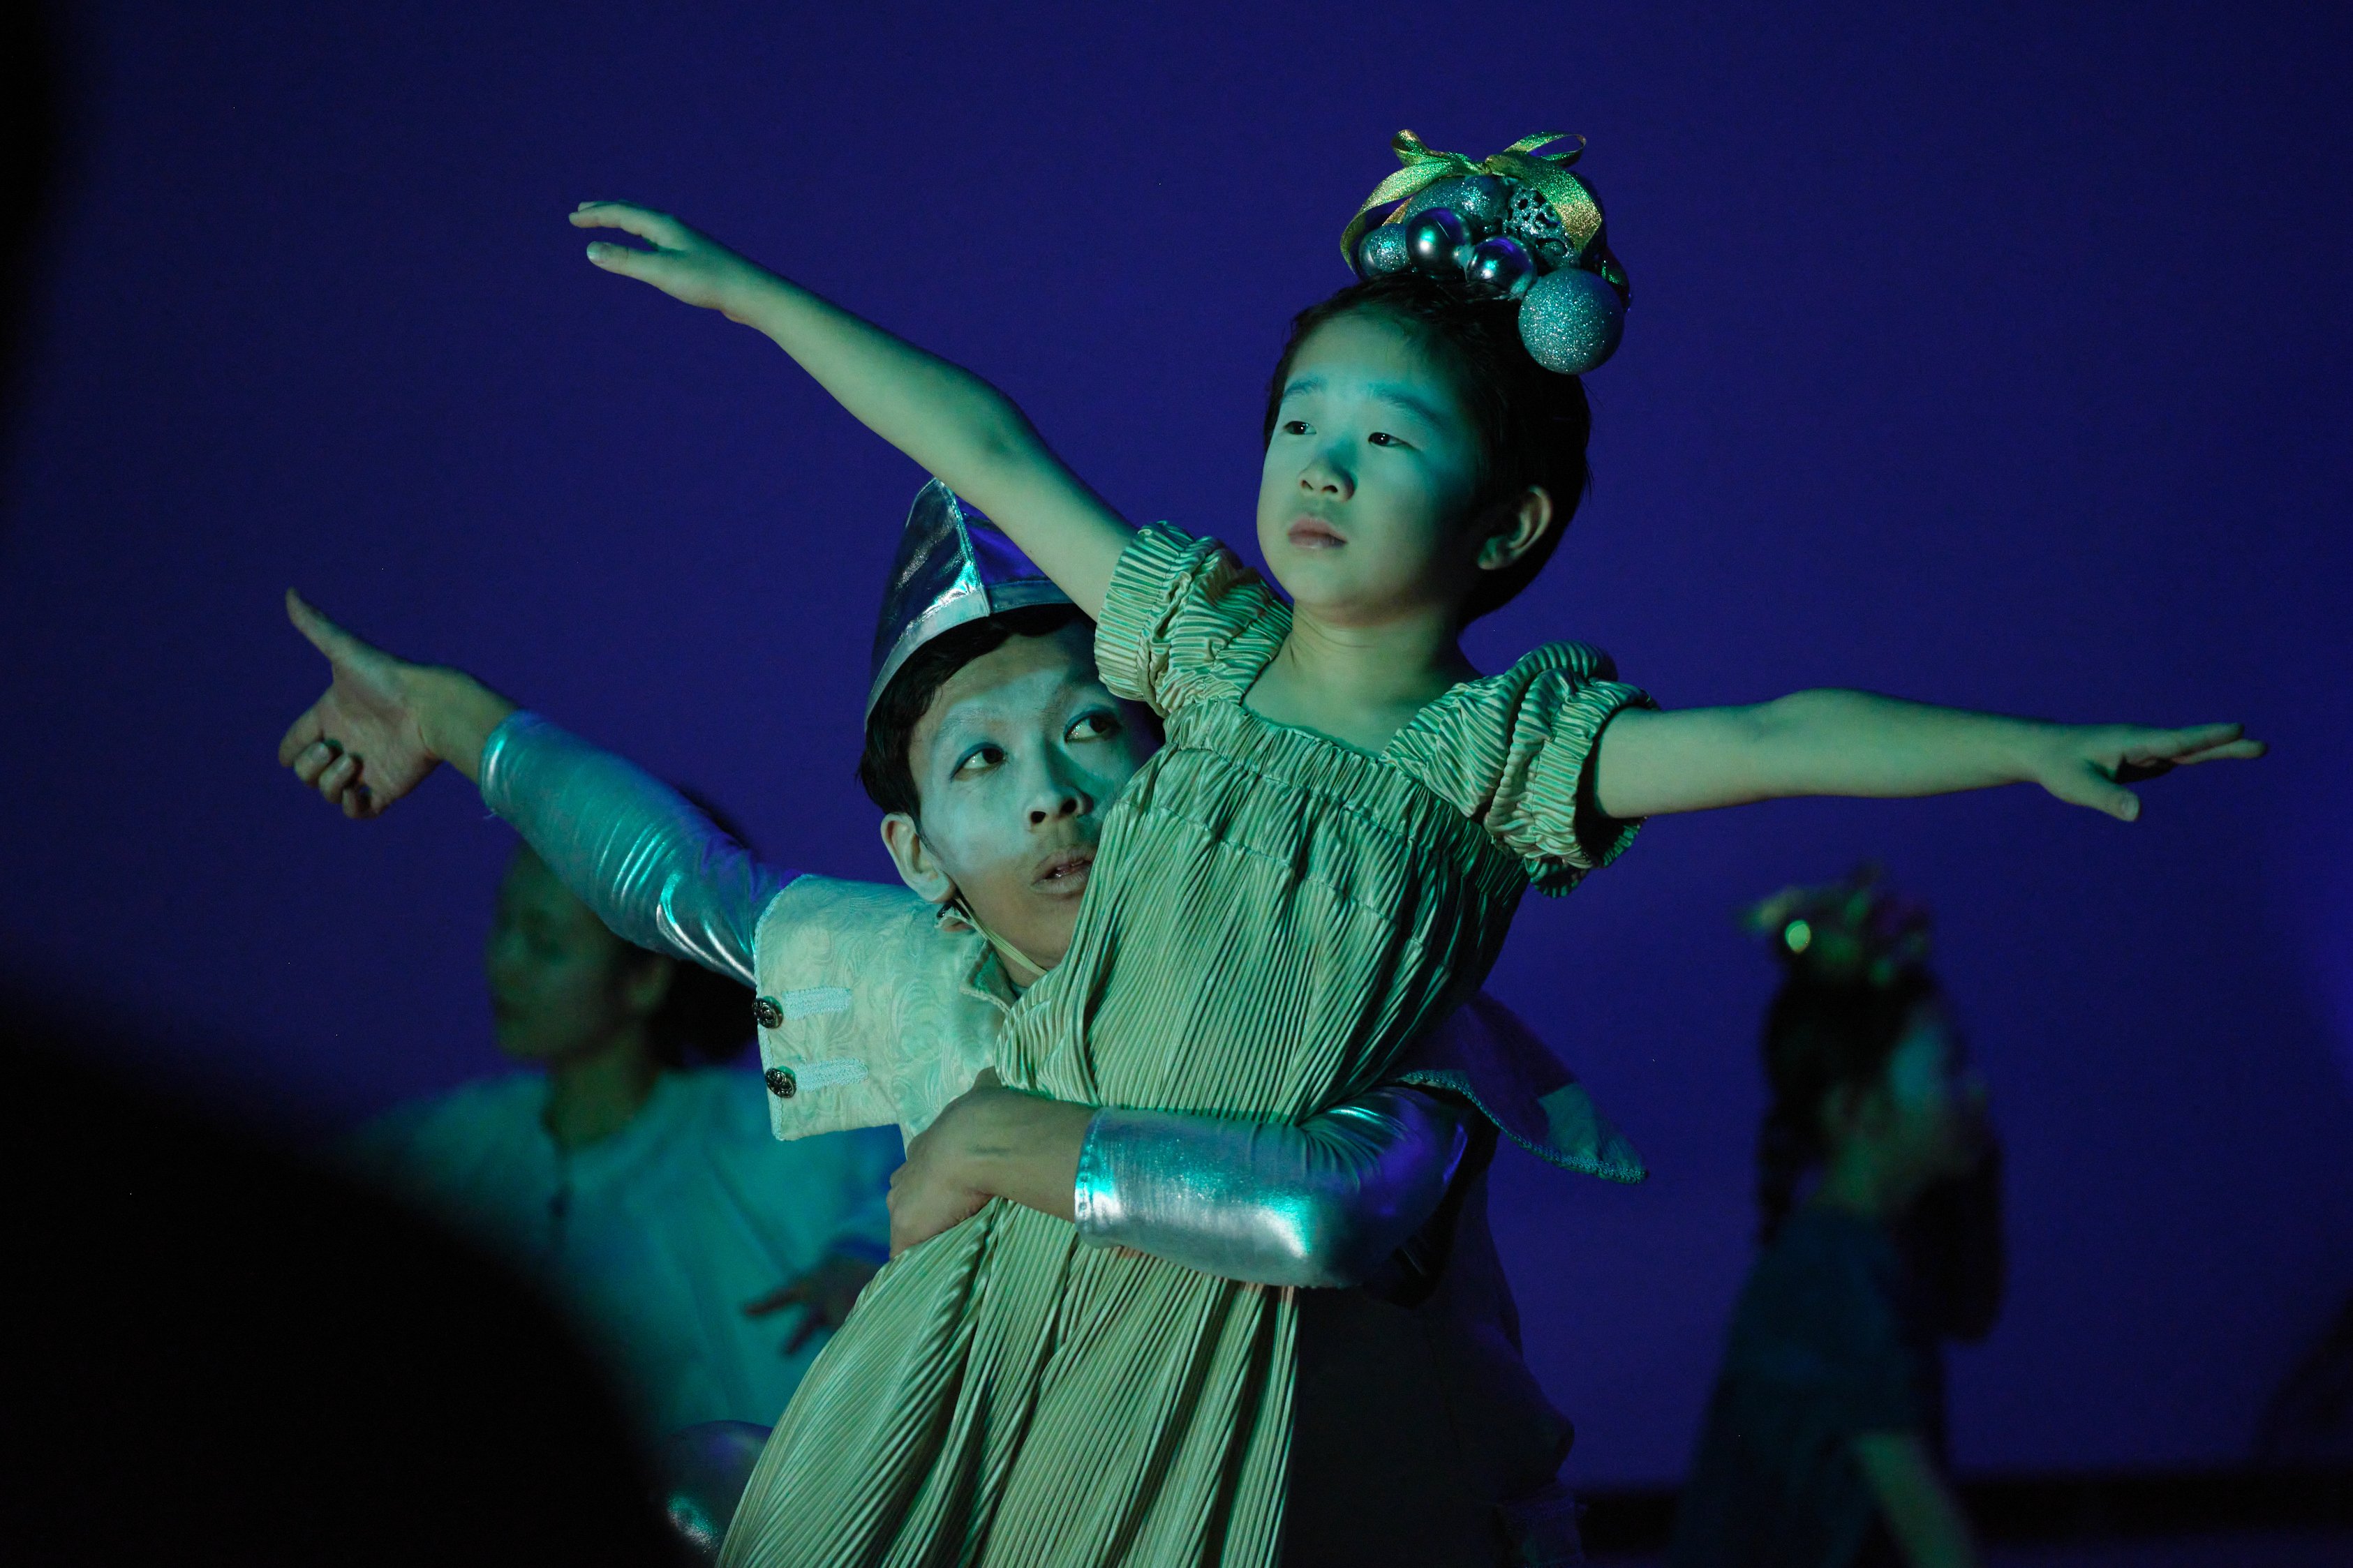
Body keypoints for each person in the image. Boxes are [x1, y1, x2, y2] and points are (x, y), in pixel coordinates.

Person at [297, 121, 2259, 1562]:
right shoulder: (1204, 655)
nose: (1320, 463)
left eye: (1387, 440)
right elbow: (983, 448)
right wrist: (755, 297)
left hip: (1212, 1331)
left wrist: (2025, 742)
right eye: (1299, 416)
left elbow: (1764, 735)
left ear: (1500, 528)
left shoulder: (1494, 756)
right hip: (989, 1294)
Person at [281, 481, 1643, 1566]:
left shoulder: (1319, 954)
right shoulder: (918, 977)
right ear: (917, 850)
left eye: (1092, 730)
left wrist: (1003, 1137)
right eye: (980, 760)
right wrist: (454, 720)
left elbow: (1336, 1209)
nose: (1050, 792)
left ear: (1172, 766)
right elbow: (687, 886)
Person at [343, 829, 900, 1438]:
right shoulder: (437, 1146)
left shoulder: (782, 1141)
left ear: (646, 977)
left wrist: (869, 1249)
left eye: (545, 943)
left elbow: (933, 1181)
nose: (503, 961)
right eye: (502, 924)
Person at [1670, 873, 2003, 1568]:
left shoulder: (1867, 1250)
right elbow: (1933, 1538)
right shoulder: (1831, 1273)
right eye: (1946, 1066)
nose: (1973, 1088)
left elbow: (1973, 1310)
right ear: (1855, 1110)